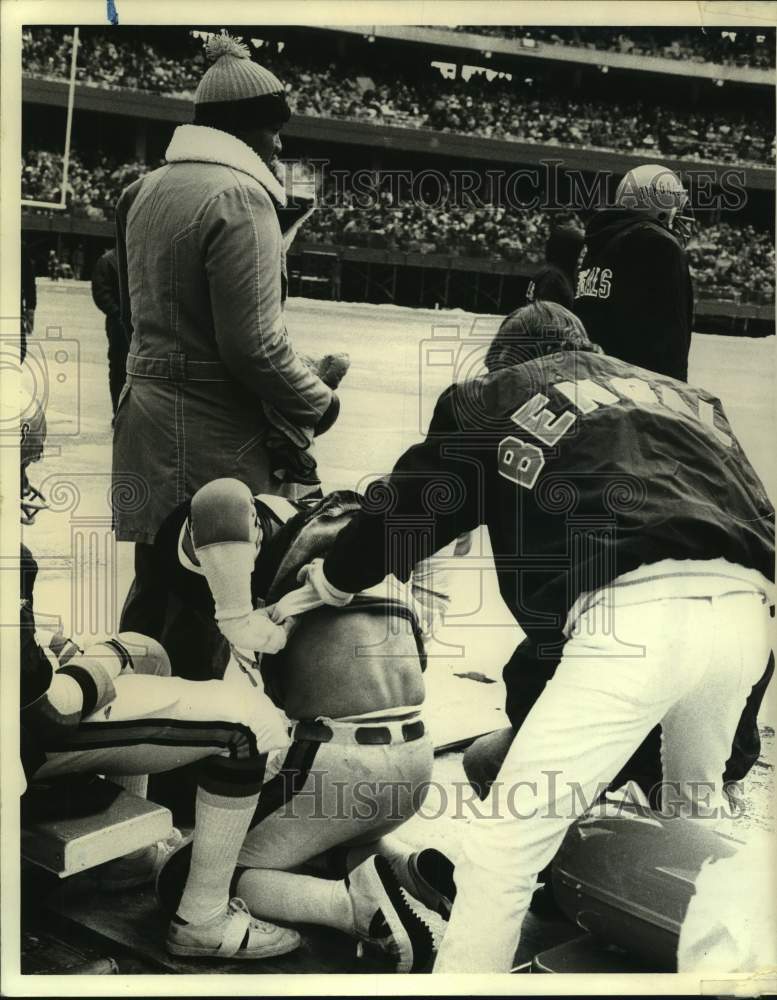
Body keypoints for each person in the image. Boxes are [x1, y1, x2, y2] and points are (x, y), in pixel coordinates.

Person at [269, 301, 774, 973]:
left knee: (502, 852)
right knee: (693, 816)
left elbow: (419, 502)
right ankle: (715, 957)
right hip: (747, 612)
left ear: (506, 362)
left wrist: (333, 578)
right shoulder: (688, 398)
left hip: (632, 616)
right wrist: (734, 740)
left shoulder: (496, 394)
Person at [19, 403, 302, 961]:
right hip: (19, 744)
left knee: (146, 651)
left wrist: (66, 650)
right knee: (248, 725)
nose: (28, 481)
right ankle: (203, 920)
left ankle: (124, 860)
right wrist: (101, 663)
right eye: (23, 462)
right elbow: (43, 712)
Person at [153, 477, 454, 971]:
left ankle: (356, 909)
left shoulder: (250, 532)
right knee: (306, 838)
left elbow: (219, 497)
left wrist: (233, 616)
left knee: (189, 876)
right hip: (415, 761)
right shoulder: (352, 536)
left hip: (343, 757)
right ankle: (406, 866)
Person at [112, 31, 337, 643]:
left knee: (155, 585)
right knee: (217, 594)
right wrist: (318, 399)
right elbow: (255, 345)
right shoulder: (241, 194)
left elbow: (134, 314)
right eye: (272, 128)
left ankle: (135, 707)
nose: (279, 142)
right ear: (242, 128)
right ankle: (209, 731)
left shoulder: (146, 188)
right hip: (214, 428)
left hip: (147, 419)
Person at [574, 163, 694, 381]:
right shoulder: (661, 245)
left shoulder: (597, 243)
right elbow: (671, 344)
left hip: (592, 382)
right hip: (637, 391)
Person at [91, 247, 130, 417]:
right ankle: (119, 411)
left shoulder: (109, 260)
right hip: (119, 324)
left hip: (130, 321)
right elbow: (101, 293)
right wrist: (117, 314)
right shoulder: (108, 261)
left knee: (126, 368)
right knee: (119, 367)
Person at [525, 222, 584, 310]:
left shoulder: (552, 272)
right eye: (579, 250)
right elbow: (546, 316)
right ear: (570, 250)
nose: (582, 254)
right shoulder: (553, 277)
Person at [21, 240, 36, 364]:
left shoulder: (19, 247)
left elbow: (29, 281)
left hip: (13, 306)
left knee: (20, 349)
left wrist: (30, 308)